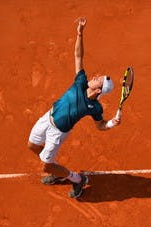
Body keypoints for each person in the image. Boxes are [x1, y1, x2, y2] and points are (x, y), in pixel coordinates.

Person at [27, 17, 120, 199]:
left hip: (58, 132)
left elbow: (100, 125)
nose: (95, 76)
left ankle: (77, 179)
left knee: (46, 166)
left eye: (98, 79)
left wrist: (111, 124)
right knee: (32, 145)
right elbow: (78, 56)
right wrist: (80, 32)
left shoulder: (94, 107)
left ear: (99, 89)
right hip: (48, 118)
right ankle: (57, 170)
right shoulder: (80, 82)